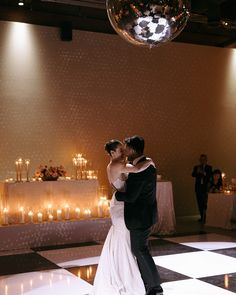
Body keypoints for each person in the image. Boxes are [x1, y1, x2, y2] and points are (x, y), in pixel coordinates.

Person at [90, 139, 155, 295]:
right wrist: (151, 161)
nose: (124, 152)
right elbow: (139, 168)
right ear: (112, 153)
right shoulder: (116, 165)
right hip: (120, 205)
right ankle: (125, 276)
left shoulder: (118, 164)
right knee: (124, 238)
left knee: (123, 239)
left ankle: (123, 273)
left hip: (121, 203)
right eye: (120, 150)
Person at [115, 136, 163, 295]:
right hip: (144, 215)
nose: (124, 150)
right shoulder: (144, 164)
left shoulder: (142, 169)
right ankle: (149, 284)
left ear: (134, 150)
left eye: (127, 148)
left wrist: (116, 195)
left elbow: (130, 197)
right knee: (140, 249)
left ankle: (155, 287)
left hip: (140, 217)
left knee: (140, 250)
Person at [192, 154, 212, 223]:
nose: (202, 161)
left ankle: (206, 217)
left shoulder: (209, 167)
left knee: (205, 203)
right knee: (199, 202)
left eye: (204, 159)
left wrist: (204, 173)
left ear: (206, 160)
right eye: (201, 160)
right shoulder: (196, 167)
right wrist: (197, 172)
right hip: (198, 188)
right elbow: (193, 175)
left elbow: (209, 176)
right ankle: (201, 217)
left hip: (205, 188)